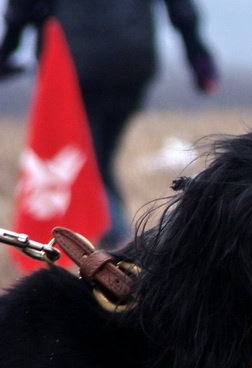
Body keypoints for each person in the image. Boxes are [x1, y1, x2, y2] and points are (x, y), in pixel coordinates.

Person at [0, 0, 219, 247]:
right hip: (132, 59)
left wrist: (6, 50)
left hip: (72, 61)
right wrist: (199, 58)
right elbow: (180, 9)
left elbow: (20, 9)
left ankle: (120, 242)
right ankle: (116, 242)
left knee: (91, 164)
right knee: (99, 160)